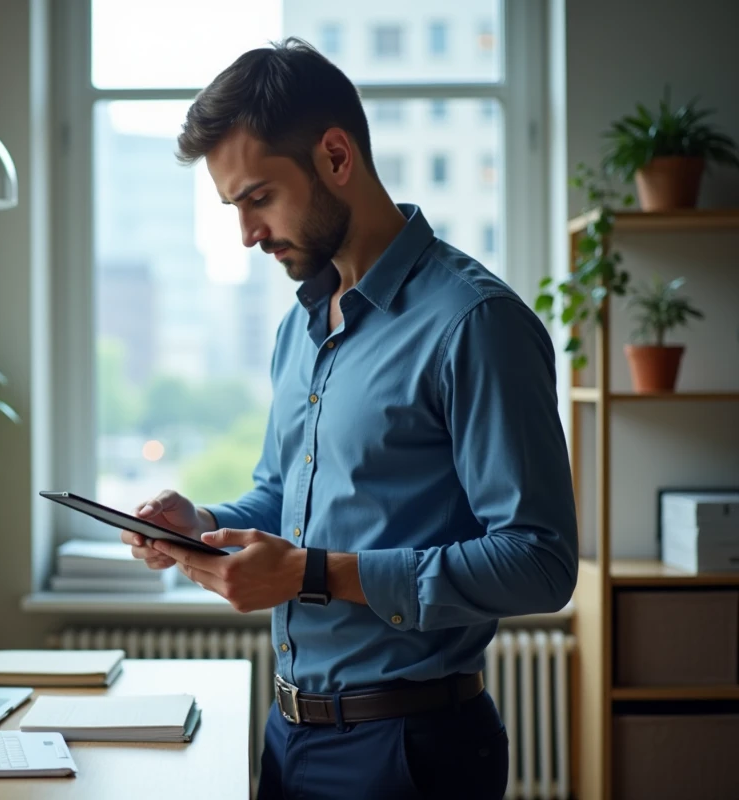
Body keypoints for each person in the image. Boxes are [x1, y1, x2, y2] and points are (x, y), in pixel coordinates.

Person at [120, 38, 577, 800]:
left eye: (259, 198)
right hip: (288, 735)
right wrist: (196, 523)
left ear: (336, 157)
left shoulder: (475, 323)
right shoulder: (298, 329)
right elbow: (282, 498)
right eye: (235, 209)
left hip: (412, 751)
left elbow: (540, 561)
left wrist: (312, 574)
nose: (247, 234)